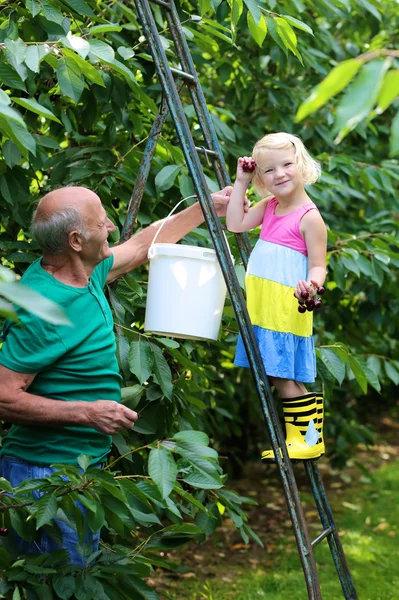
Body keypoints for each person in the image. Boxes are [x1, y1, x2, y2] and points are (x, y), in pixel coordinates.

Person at [0, 184, 234, 564]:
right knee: (57, 584)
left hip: (77, 470)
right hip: (43, 478)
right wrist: (88, 413)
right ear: (76, 240)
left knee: (78, 578)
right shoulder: (44, 309)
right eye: (101, 222)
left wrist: (208, 208)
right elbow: (4, 395)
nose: (110, 225)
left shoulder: (84, 273)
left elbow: (143, 245)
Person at [226, 132, 327, 461]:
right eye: (268, 170)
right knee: (279, 374)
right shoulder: (270, 206)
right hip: (265, 308)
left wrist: (311, 286)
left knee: (281, 374)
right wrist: (240, 181)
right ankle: (308, 438)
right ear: (261, 178)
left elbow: (318, 266)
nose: (279, 174)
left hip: (285, 308)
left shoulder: (309, 217)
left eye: (287, 165)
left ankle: (309, 440)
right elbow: (236, 223)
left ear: (302, 166)